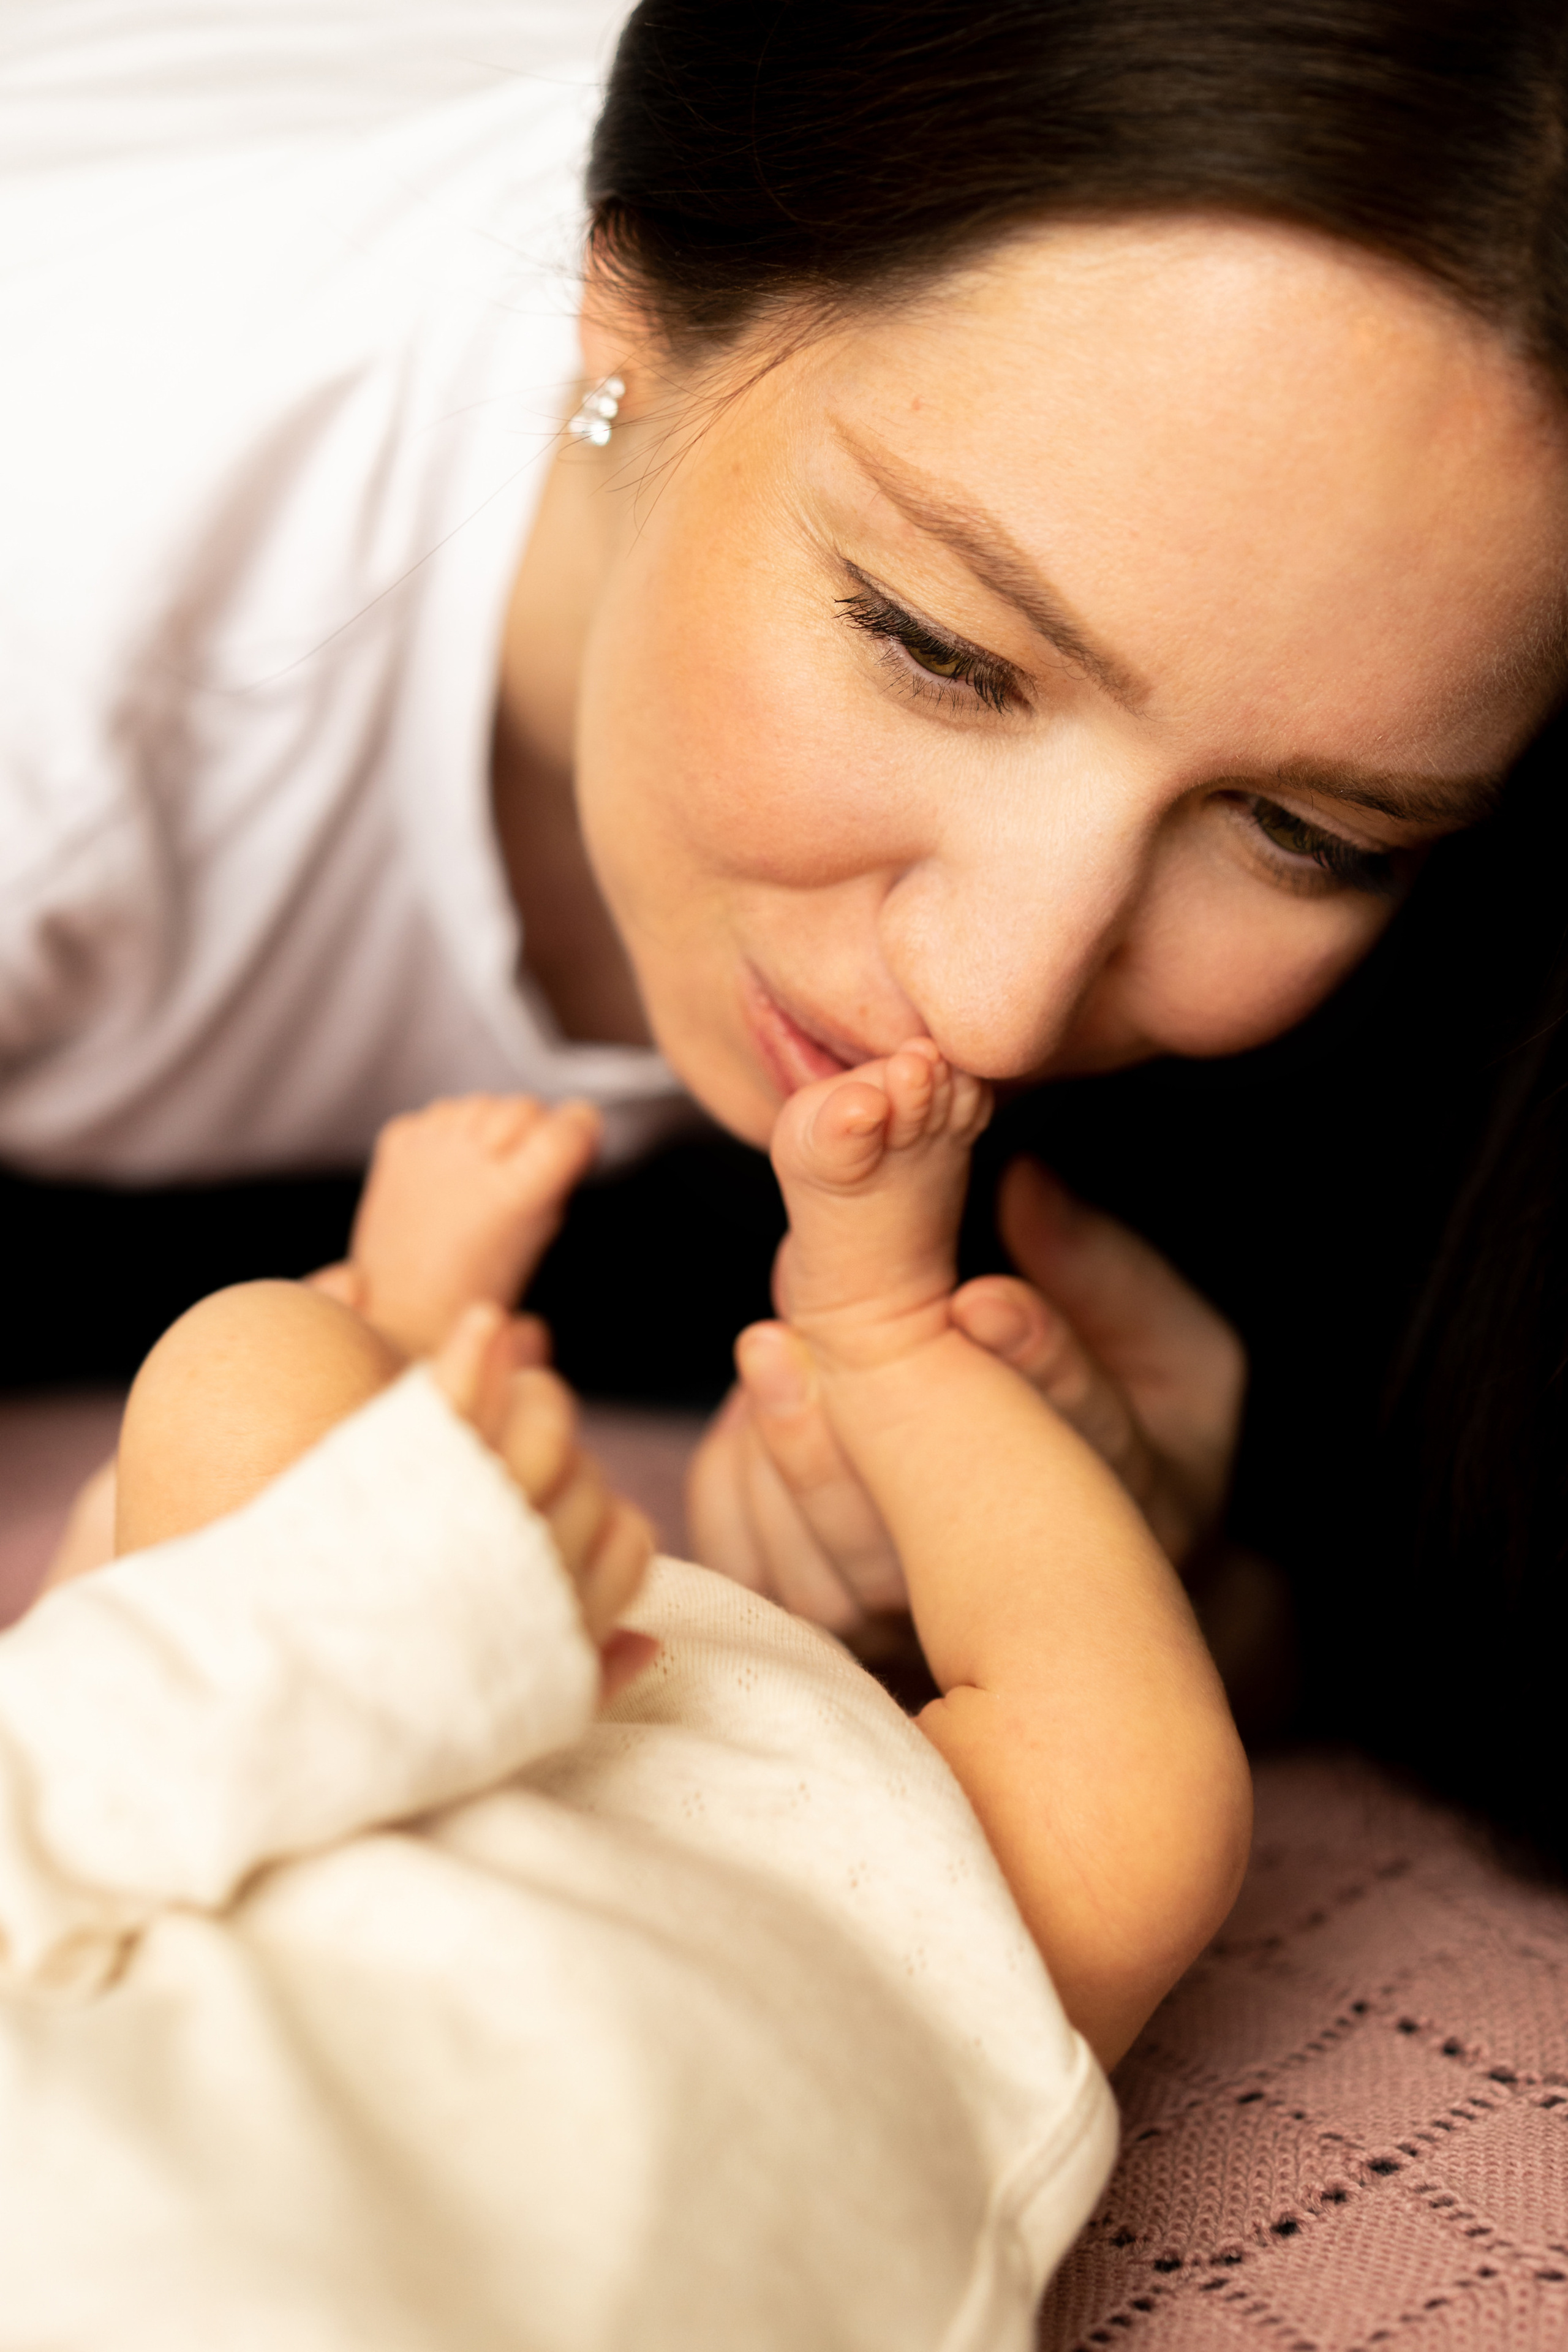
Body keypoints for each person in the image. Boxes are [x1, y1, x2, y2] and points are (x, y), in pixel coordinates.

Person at [6, 3, 1568, 1831]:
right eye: (940, 652)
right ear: (626, 323)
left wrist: (1133, 1600)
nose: (995, 1010)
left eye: (1307, 833)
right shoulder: (66, 604)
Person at [0, 1061, 1248, 2346]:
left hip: (344, 1780)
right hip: (890, 1967)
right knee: (1142, 1816)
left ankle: (421, 1352)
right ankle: (889, 1344)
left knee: (239, 1371)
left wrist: (370, 1603)